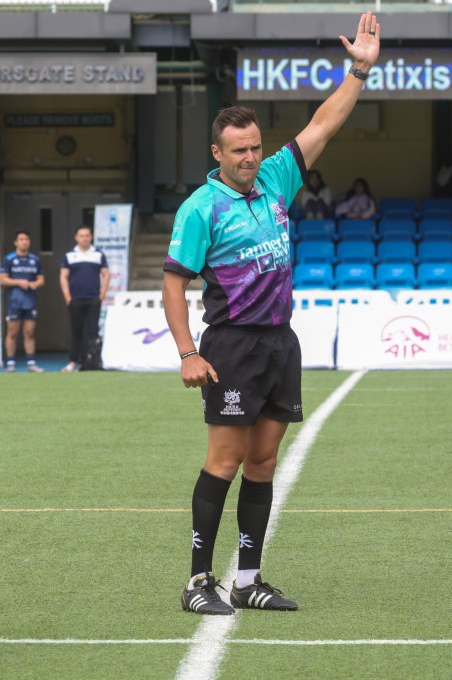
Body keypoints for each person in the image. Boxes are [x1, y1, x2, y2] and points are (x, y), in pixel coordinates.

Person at [162, 12, 380, 616]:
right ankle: (198, 582)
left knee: (263, 460)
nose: (251, 157)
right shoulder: (200, 208)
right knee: (225, 460)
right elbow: (174, 285)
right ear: (217, 152)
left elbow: (323, 124)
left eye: (256, 147)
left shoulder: (278, 179)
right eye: (239, 151)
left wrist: (359, 70)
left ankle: (248, 579)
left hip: (281, 343)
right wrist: (187, 352)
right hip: (230, 345)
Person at [58, 225, 109, 373]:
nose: (84, 238)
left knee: (93, 331)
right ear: (76, 237)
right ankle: (73, 362)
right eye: (81, 236)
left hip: (93, 299)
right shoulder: (69, 255)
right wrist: (68, 297)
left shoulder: (98, 254)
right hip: (76, 299)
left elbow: (106, 274)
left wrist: (102, 294)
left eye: (87, 235)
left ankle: (92, 362)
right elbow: (63, 276)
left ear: (91, 237)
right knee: (76, 331)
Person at [0, 229, 45, 373]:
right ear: (15, 242)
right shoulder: (9, 259)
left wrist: (34, 284)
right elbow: (2, 279)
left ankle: (31, 363)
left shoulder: (35, 260)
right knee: (12, 331)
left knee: (29, 332)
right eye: (21, 239)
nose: (24, 242)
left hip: (30, 301)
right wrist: (19, 282)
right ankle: (11, 363)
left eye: (26, 239)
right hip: (14, 301)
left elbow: (41, 279)